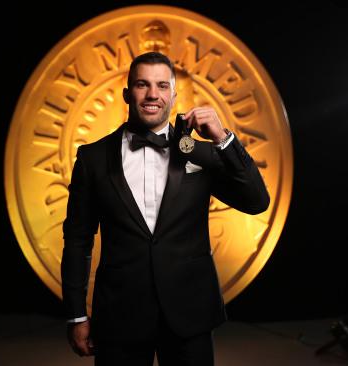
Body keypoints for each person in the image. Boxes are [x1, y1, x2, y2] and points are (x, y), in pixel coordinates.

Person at [61, 52, 270, 365]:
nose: (152, 94)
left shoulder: (202, 153)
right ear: (127, 93)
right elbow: (78, 240)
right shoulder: (92, 159)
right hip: (120, 315)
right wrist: (76, 315)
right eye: (142, 85)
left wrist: (223, 139)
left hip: (191, 314)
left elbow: (257, 201)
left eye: (161, 85)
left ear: (173, 94)